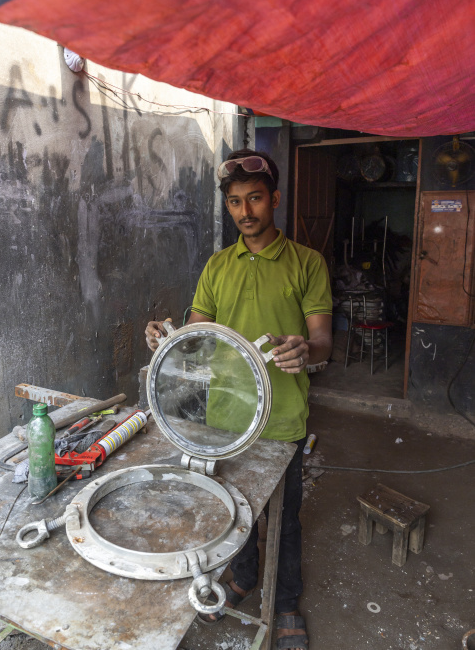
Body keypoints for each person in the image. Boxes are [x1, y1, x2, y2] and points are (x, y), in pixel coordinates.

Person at [145, 149, 332, 650]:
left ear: (274, 199)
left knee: (284, 517)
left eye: (254, 199)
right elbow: (199, 331)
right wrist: (168, 337)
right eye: (234, 202)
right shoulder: (218, 265)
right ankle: (245, 578)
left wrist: (306, 349)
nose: (245, 211)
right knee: (235, 509)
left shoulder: (306, 263)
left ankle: (287, 600)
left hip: (282, 416)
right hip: (225, 415)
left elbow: (324, 340)